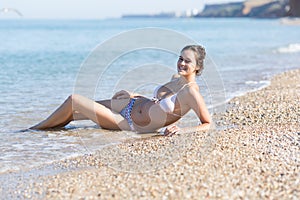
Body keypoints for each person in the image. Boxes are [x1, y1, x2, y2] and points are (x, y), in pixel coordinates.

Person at [30, 45, 212, 136]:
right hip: (129, 104)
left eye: (187, 61)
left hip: (129, 123)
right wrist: (133, 95)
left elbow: (207, 123)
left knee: (74, 101)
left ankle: (32, 131)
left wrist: (183, 130)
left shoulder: (192, 92)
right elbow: (156, 102)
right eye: (180, 58)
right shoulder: (175, 79)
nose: (181, 63)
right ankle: (44, 136)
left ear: (197, 66)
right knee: (71, 113)